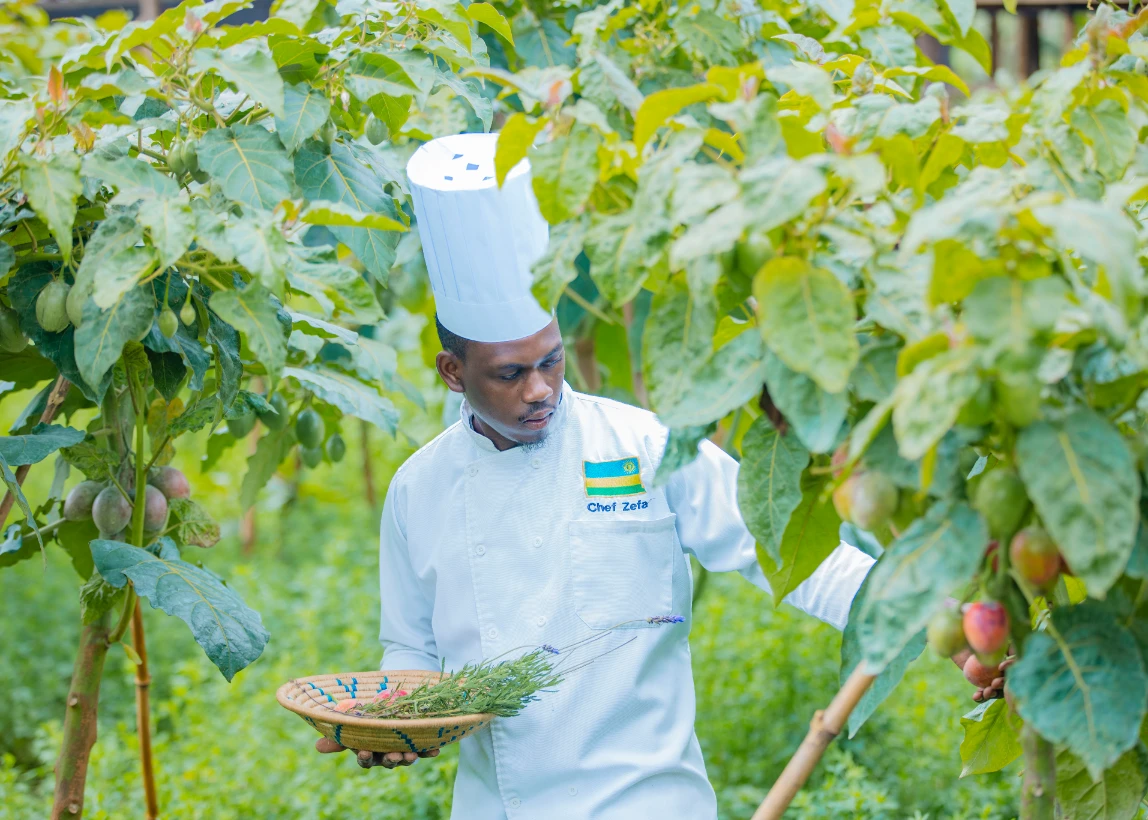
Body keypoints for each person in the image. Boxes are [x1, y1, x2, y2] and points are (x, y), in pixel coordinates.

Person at [315, 133, 1001, 818]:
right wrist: (392, 721)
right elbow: (409, 644)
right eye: (510, 374)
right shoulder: (417, 490)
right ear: (453, 372)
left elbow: (794, 557)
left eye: (551, 361)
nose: (541, 390)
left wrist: (948, 626)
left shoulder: (644, 444)